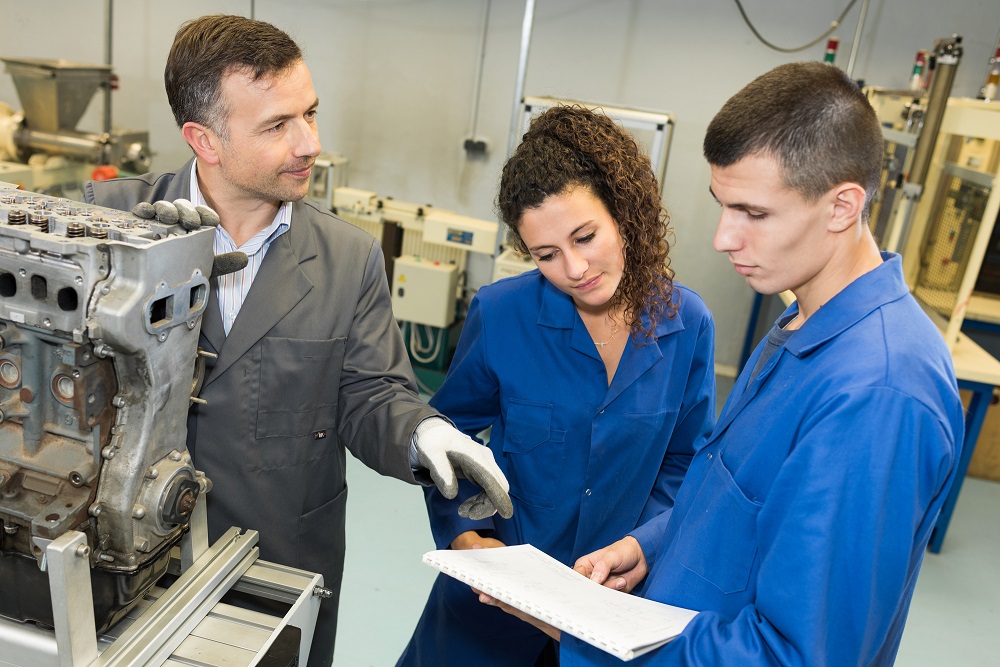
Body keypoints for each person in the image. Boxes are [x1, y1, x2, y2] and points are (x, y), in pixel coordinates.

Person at [482, 62, 965, 666]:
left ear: (843, 206)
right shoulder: (799, 326)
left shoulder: (878, 393)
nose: (723, 238)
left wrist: (588, 634)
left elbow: (798, 656)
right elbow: (735, 501)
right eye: (722, 206)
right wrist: (652, 545)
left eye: (753, 213)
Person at [82, 15, 511, 667]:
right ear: (205, 140)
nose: (310, 142)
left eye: (310, 113)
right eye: (278, 125)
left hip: (275, 568)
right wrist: (130, 269)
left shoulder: (348, 259)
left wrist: (423, 432)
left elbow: (372, 395)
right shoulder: (103, 228)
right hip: (122, 569)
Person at [397, 105, 717, 666]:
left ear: (623, 211)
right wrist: (463, 537)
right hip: (492, 600)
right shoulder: (501, 315)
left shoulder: (688, 325)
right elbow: (450, 438)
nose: (574, 268)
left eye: (586, 236)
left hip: (609, 606)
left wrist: (645, 545)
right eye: (547, 255)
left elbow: (685, 464)